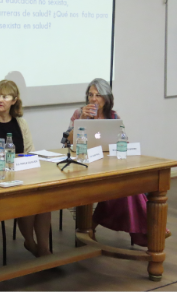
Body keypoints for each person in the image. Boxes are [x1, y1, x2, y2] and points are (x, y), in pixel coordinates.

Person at [65, 78, 170, 246]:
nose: (93, 99)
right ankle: (147, 232)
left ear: (106, 98)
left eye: (98, 95)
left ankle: (93, 226)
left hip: (110, 164)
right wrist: (82, 120)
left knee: (129, 187)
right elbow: (67, 141)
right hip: (85, 164)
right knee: (125, 189)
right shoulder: (79, 113)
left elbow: (123, 142)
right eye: (90, 95)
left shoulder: (113, 116)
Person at [0, 80, 52, 257]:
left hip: (21, 175)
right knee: (25, 199)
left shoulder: (20, 123)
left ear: (14, 100)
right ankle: (30, 243)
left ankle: (44, 249)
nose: (0, 99)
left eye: (5, 96)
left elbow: (30, 152)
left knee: (43, 200)